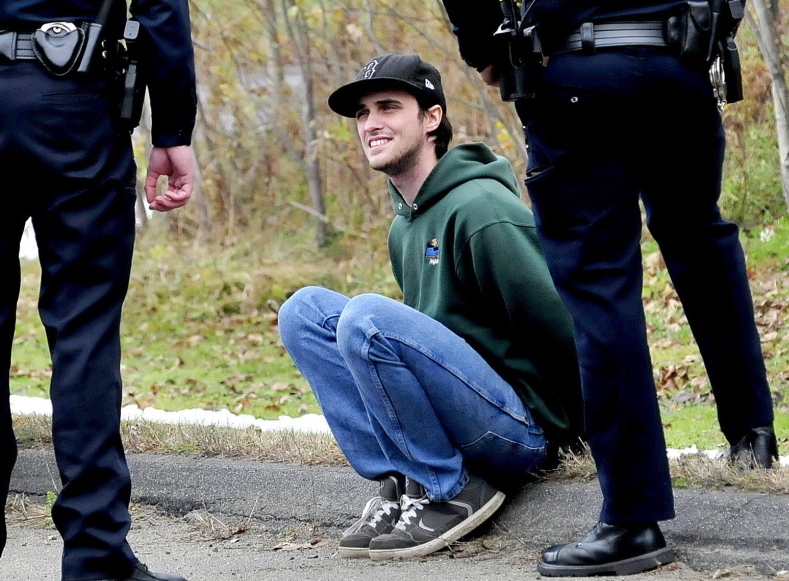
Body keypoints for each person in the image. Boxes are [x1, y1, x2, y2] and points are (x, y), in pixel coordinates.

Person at [441, 0, 779, 576]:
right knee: (701, 241)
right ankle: (753, 432)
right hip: (682, 67)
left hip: (578, 71)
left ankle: (631, 519)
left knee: (600, 285)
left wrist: (486, 49)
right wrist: (716, 23)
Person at [278, 53, 583, 562]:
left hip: (523, 432)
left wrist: (582, 435)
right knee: (303, 311)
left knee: (367, 317)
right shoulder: (406, 226)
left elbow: (561, 327)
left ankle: (449, 487)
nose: (371, 124)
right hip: (463, 413)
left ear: (432, 118)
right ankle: (402, 482)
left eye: (389, 107)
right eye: (362, 114)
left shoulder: (482, 210)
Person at [0, 1, 196, 580]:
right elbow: (161, 5)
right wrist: (173, 128)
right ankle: (96, 558)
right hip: (76, 103)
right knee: (84, 335)